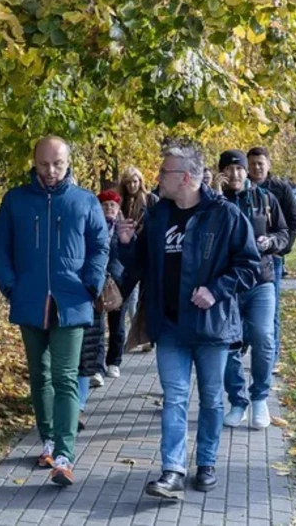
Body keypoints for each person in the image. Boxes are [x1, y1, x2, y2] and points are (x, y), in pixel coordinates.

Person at [117, 145, 260, 499]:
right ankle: (173, 470)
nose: (157, 178)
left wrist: (216, 290)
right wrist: (126, 244)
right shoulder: (157, 216)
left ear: (184, 178)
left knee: (211, 399)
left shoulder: (224, 215)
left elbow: (249, 266)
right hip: (169, 325)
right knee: (175, 398)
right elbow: (138, 266)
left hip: (211, 327)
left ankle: (206, 463)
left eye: (163, 172)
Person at [0, 136, 110, 486]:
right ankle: (47, 440)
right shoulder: (15, 200)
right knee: (39, 375)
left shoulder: (84, 201)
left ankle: (64, 455)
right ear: (34, 163)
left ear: (68, 162)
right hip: (29, 298)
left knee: (65, 376)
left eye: (57, 163)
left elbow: (100, 245)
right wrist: (9, 285)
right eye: (44, 164)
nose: (51, 170)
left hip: (71, 300)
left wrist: (91, 283)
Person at [215, 150, 289, 430]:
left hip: (261, 280)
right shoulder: (213, 201)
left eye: (239, 169)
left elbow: (283, 232)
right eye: (229, 169)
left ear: (246, 172)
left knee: (263, 337)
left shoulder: (265, 199)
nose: (235, 174)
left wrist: (270, 242)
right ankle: (238, 401)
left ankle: (260, 398)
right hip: (228, 284)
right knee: (229, 343)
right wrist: (215, 194)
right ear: (221, 172)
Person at [246, 146, 296, 368]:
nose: (256, 167)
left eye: (260, 163)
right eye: (252, 163)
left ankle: (272, 358)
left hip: (272, 259)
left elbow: (293, 224)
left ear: (268, 164)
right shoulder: (240, 186)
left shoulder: (280, 189)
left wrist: (281, 250)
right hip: (243, 260)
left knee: (271, 310)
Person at [78, 190, 123, 418]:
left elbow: (126, 256)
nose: (108, 209)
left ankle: (113, 361)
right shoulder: (90, 225)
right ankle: (97, 368)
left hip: (115, 283)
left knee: (116, 324)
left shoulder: (121, 229)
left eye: (112, 205)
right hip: (93, 285)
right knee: (96, 328)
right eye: (104, 205)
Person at [117, 168, 160, 354]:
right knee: (121, 299)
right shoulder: (121, 202)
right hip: (127, 255)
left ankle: (146, 336)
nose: (132, 186)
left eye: (135, 181)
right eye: (128, 182)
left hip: (147, 254)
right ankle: (123, 340)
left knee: (146, 298)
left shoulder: (151, 200)